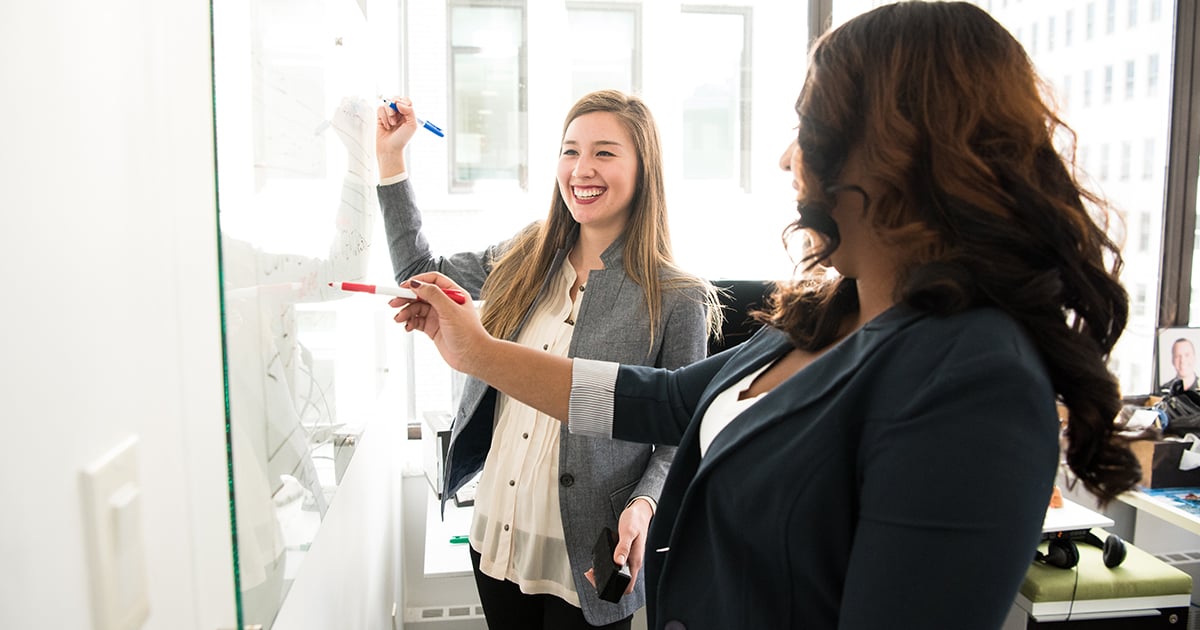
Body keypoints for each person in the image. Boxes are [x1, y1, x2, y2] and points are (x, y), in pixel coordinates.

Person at [387, 3, 1143, 628]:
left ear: (895, 148)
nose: (787, 158)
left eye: (808, 124)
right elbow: (668, 400)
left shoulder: (973, 376)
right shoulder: (822, 316)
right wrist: (478, 353)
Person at [375, 90, 720, 629]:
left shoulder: (676, 297)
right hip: (497, 531)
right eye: (570, 150)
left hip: (589, 551)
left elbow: (683, 432)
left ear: (643, 168)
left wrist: (646, 504)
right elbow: (420, 269)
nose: (582, 169)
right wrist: (391, 159)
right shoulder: (526, 254)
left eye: (605, 152)